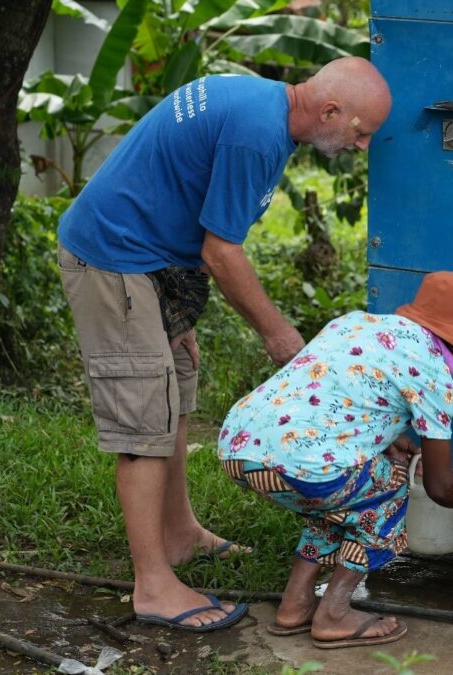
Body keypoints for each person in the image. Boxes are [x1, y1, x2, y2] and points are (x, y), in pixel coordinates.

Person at [56, 57, 392, 632]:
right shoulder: (257, 136)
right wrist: (278, 333)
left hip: (152, 263)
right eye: (360, 133)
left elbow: (182, 194)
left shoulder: (263, 108)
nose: (360, 147)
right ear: (331, 111)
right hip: (114, 259)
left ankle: (180, 532)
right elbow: (222, 251)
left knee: (175, 394)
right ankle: (153, 585)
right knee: (144, 423)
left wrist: (177, 308)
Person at [217, 271, 453, 649]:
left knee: (341, 502)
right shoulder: (432, 372)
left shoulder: (354, 323)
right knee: (390, 485)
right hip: (301, 465)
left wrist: (384, 437)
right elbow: (440, 486)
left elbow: (334, 396)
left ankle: (294, 605)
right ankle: (334, 614)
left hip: (238, 448)